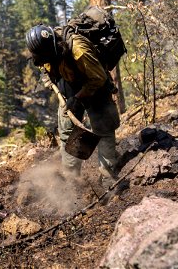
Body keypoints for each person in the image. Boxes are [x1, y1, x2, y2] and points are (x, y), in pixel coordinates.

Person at [25, 24, 120, 189]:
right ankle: (72, 180)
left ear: (54, 47)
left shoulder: (78, 49)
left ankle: (108, 178)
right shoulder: (42, 51)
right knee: (67, 130)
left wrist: (78, 98)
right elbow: (43, 67)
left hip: (95, 84)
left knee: (103, 128)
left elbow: (98, 78)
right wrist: (48, 79)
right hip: (70, 83)